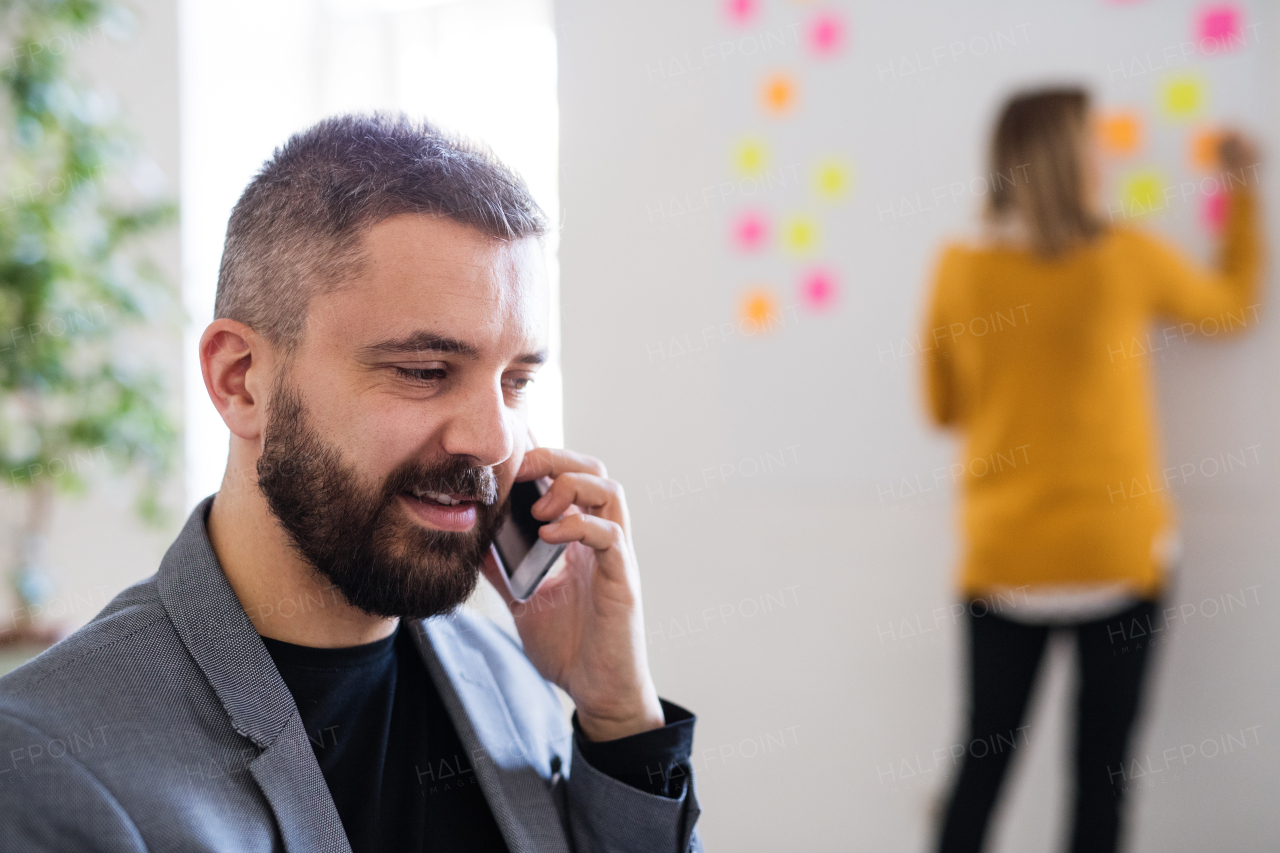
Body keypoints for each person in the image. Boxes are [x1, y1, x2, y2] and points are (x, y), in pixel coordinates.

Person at [0, 114, 702, 853]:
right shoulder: (52, 763)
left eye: (516, 381)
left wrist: (620, 722)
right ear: (241, 381)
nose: (494, 441)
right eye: (425, 371)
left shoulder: (518, 683)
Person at [923, 88, 1262, 853]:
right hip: (1117, 551)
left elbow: (941, 405)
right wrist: (1240, 190)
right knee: (1101, 780)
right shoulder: (1126, 256)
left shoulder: (957, 268)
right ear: (1073, 159)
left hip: (1003, 556)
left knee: (981, 767)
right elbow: (1231, 306)